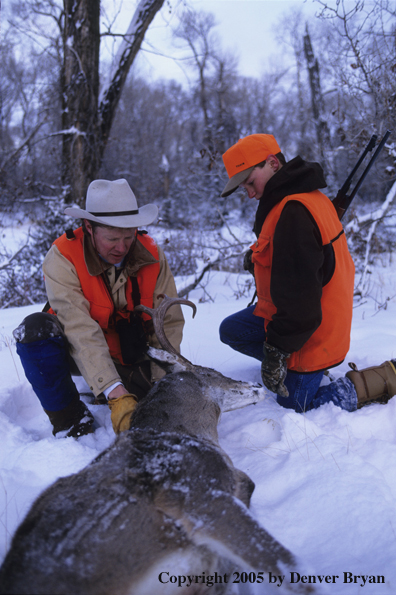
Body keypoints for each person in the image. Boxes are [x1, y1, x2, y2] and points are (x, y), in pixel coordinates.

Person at [219, 133, 396, 413]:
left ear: (273, 163)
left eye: (250, 182)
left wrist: (276, 352)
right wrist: (256, 258)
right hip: (308, 316)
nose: (250, 193)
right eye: (244, 188)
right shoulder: (302, 196)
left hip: (313, 331)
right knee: (233, 331)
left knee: (296, 405)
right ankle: (293, 364)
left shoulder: (293, 213)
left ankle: (380, 379)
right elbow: (299, 260)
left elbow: (300, 303)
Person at [13, 178, 184, 437]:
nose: (122, 247)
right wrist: (114, 391)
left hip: (133, 356)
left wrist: (163, 385)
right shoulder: (63, 257)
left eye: (129, 236)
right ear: (89, 227)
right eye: (112, 238)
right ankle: (70, 420)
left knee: (161, 412)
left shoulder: (152, 255)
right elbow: (79, 328)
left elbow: (168, 324)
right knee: (35, 330)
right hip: (77, 351)